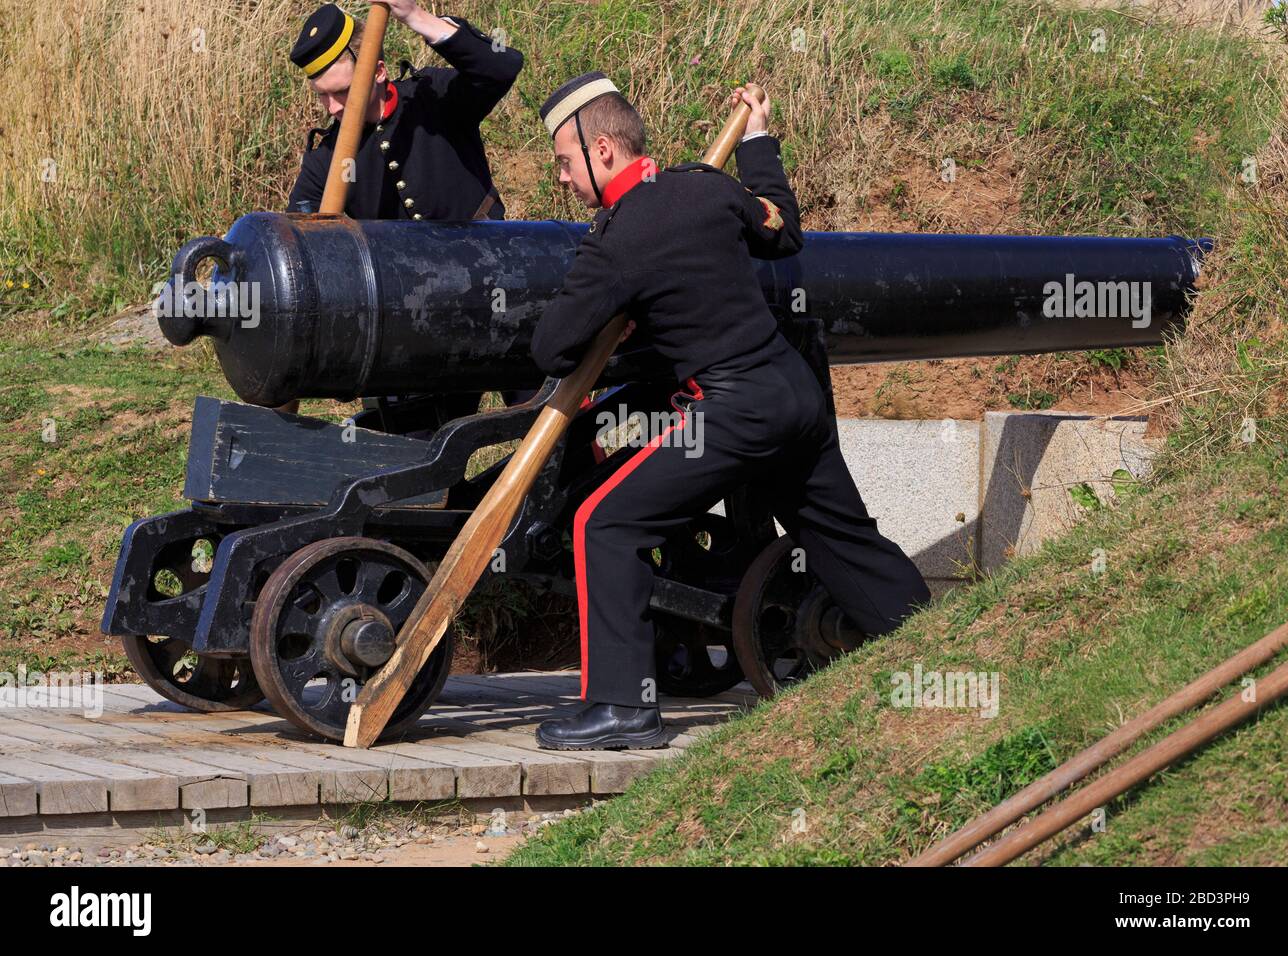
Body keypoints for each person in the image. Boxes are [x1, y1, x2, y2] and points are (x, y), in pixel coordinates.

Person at [529, 73, 932, 751]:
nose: (563, 181)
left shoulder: (618, 240)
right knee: (843, 539)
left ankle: (624, 708)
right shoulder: (708, 188)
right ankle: (945, 648)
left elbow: (552, 347)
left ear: (602, 151)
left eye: (566, 164)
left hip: (736, 409)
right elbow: (782, 228)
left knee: (605, 521)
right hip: (793, 394)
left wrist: (621, 310)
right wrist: (756, 138)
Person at [286, 2, 531, 416]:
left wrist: (415, 16)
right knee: (411, 454)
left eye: (342, 92)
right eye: (323, 96)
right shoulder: (326, 160)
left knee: (544, 422)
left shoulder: (433, 98)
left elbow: (501, 67)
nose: (331, 108)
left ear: (377, 72)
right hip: (411, 322)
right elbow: (301, 240)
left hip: (493, 288)